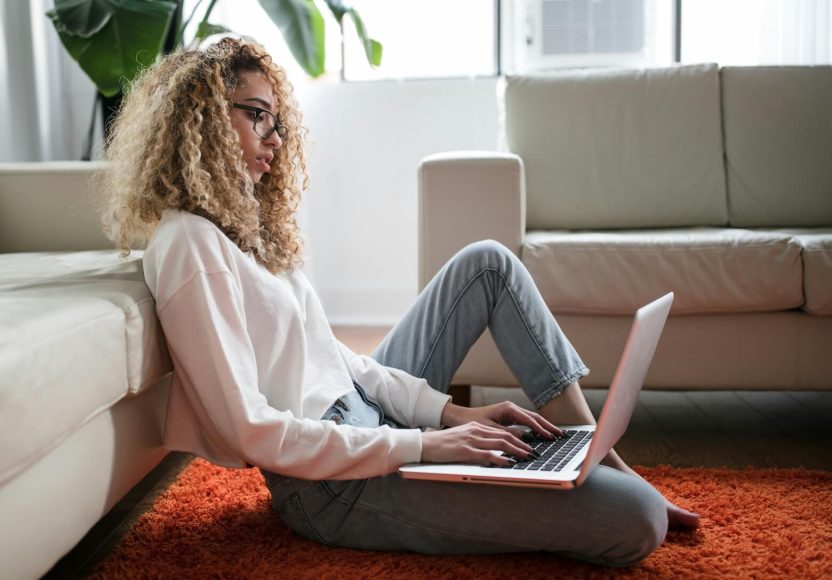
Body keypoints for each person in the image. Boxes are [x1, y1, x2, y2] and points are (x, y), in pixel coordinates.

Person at [98, 36, 699, 567]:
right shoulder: (189, 243)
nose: (274, 139)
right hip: (330, 485)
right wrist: (424, 445)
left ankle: (592, 450)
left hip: (366, 419)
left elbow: (335, 359)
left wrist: (447, 415)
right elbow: (251, 431)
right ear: (200, 119)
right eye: (256, 116)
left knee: (486, 262)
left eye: (277, 121)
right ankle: (600, 477)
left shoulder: (243, 228)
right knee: (638, 519)